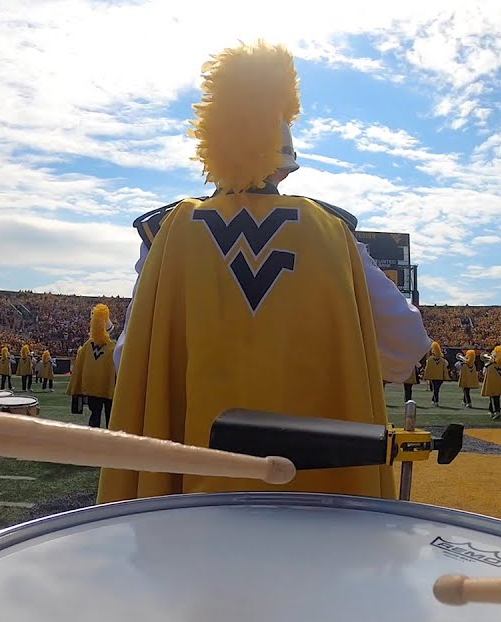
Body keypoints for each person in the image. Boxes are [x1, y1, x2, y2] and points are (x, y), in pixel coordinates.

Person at [98, 40, 430, 503]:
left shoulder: (167, 232)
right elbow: (407, 345)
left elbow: (127, 364)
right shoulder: (332, 231)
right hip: (317, 485)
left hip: (192, 494)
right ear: (286, 167)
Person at [69, 304, 117, 428]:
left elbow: (79, 367)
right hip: (109, 388)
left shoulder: (86, 346)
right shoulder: (114, 347)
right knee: (110, 418)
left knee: (94, 416)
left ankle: (93, 442)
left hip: (92, 388)